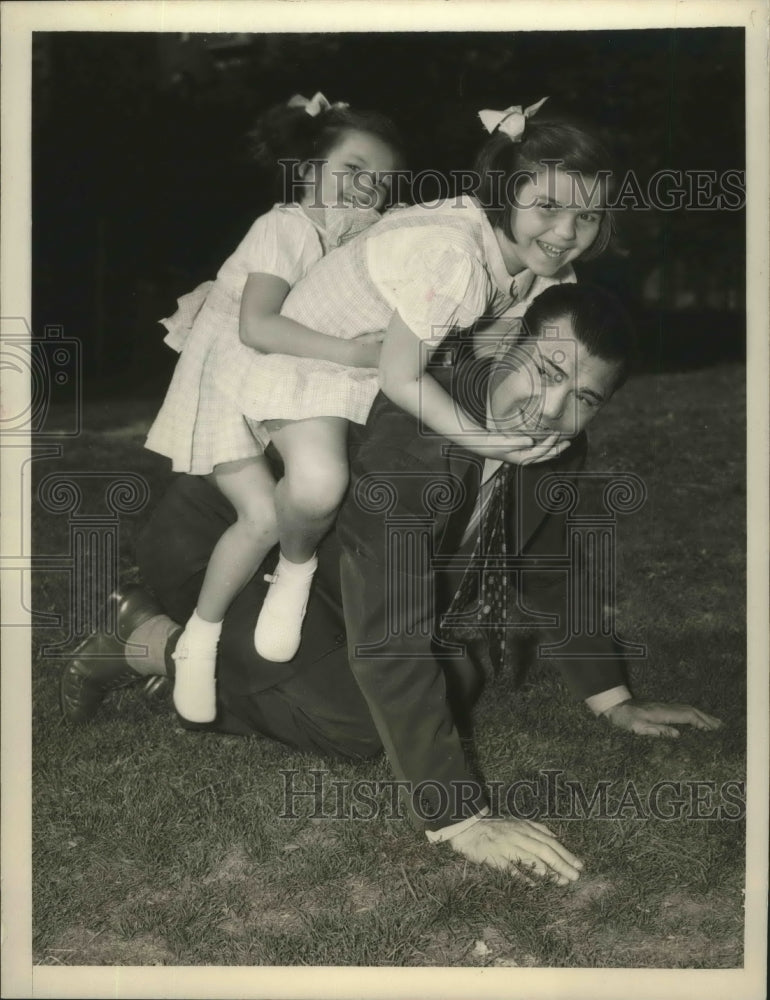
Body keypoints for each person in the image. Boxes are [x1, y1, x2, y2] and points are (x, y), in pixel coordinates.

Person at [61, 282, 722, 884]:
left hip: (323, 579)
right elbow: (389, 634)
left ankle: (204, 655)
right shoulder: (415, 436)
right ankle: (147, 635)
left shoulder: (557, 451)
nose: (550, 410)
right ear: (504, 346)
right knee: (357, 722)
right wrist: (460, 817)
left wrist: (614, 700)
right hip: (223, 551)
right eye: (545, 373)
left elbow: (549, 563)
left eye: (582, 399)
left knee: (459, 677)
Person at [208, 97, 614, 675]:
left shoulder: (534, 261)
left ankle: (421, 607)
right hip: (311, 365)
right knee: (324, 485)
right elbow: (402, 376)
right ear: (503, 193)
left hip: (378, 369)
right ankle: (292, 576)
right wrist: (484, 439)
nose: (567, 231)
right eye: (548, 205)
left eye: (589, 216)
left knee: (441, 440)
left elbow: (502, 350)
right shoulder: (453, 256)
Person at [144, 92, 404, 724]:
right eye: (353, 170)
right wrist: (352, 354)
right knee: (258, 515)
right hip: (229, 375)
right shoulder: (285, 225)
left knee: (315, 486)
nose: (367, 189)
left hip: (287, 372)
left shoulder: (353, 234)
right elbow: (257, 327)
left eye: (382, 184)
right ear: (309, 169)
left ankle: (295, 568)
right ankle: (198, 641)